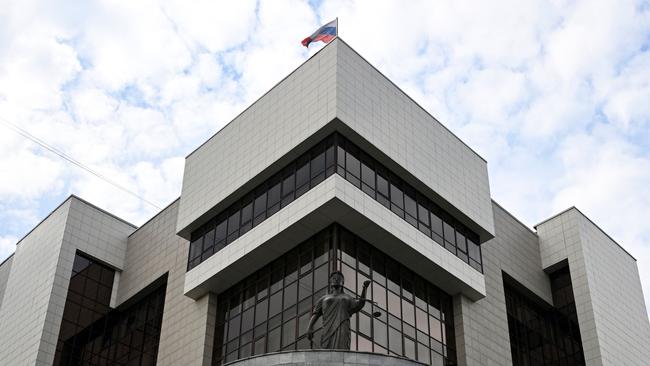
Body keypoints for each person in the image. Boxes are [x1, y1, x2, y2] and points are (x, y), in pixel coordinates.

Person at [307, 271, 371, 349]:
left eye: (339, 278)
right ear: (330, 282)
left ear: (343, 282)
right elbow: (316, 314)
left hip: (343, 326)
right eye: (334, 278)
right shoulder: (324, 299)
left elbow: (360, 304)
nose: (336, 280)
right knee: (326, 350)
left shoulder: (347, 298)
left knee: (342, 347)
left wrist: (364, 288)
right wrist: (310, 328)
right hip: (327, 328)